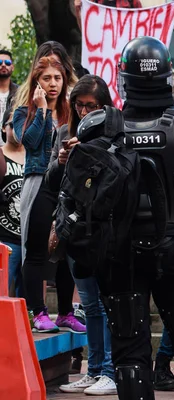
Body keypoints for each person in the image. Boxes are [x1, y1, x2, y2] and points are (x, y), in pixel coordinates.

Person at [74, 36, 174, 400]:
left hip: (120, 254)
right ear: (166, 75)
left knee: (130, 353)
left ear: (123, 77)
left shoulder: (98, 126)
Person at [50, 75, 117, 395]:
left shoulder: (114, 134)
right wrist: (63, 161)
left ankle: (109, 370)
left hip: (104, 230)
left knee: (105, 303)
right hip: (75, 229)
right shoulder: (65, 131)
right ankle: (94, 369)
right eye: (80, 106)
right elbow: (51, 182)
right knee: (89, 304)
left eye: (92, 106)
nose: (85, 111)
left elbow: (119, 178)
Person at [13, 55, 85, 334]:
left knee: (67, 248)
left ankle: (66, 312)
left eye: (57, 78)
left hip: (68, 184)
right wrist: (42, 110)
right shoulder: (24, 111)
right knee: (36, 249)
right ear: (37, 82)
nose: (53, 84)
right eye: (47, 79)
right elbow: (28, 141)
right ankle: (38, 312)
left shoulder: (72, 111)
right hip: (38, 182)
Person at [0, 109, 24, 297]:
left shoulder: (36, 157)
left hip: (30, 238)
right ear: (3, 128)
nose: (17, 128)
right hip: (5, 238)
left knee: (28, 297)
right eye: (12, 124)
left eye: (23, 123)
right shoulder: (0, 157)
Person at [0, 50, 18, 128]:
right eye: (0, 62)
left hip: (11, 139)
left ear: (12, 67)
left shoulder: (20, 93)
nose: (3, 65)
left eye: (7, 62)